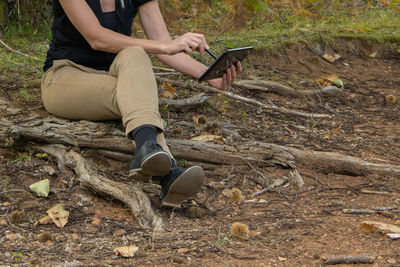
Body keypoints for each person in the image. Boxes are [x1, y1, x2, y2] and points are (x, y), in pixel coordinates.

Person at [41, 0, 242, 208]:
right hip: (65, 78)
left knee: (135, 54)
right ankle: (168, 173)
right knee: (137, 93)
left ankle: (148, 151)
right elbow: (97, 38)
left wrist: (210, 75)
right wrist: (167, 46)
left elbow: (163, 44)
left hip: (116, 78)